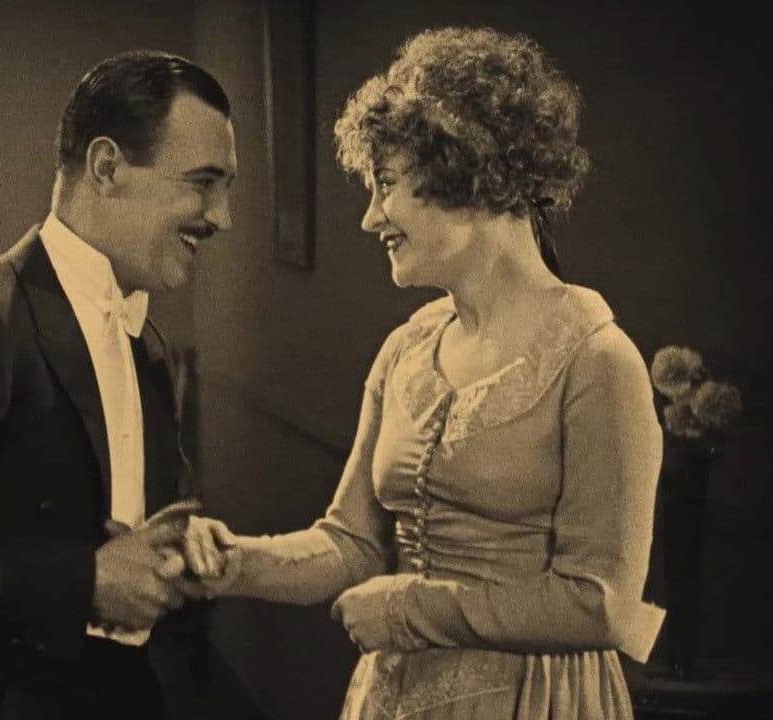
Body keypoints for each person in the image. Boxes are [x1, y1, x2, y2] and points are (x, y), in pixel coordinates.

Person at [183, 27, 666, 718]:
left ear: (465, 172)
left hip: (531, 700)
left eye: (386, 186)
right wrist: (233, 562)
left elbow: (602, 604)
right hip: (400, 695)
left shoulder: (597, 361)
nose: (369, 218)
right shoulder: (407, 350)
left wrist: (409, 609)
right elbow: (350, 543)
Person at [0, 51, 262, 720]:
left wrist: (174, 544)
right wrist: (85, 581)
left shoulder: (144, 337)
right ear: (106, 166)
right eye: (204, 182)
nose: (222, 216)